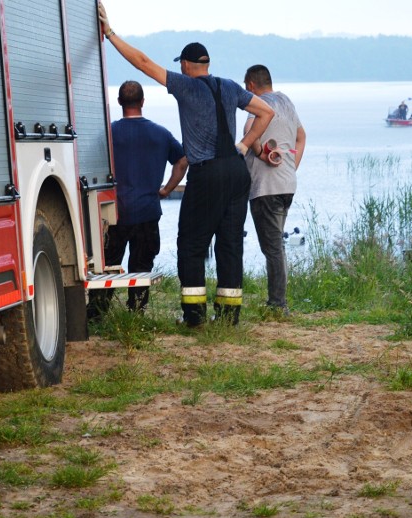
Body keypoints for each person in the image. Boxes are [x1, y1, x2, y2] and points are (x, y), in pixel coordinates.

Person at [97, 1, 275, 327]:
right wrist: (245, 145)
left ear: (189, 66)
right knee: (230, 243)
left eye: (182, 65)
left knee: (190, 244)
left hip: (207, 173)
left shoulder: (185, 86)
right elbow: (267, 112)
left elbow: (143, 63)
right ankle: (229, 316)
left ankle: (194, 316)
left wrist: (110, 33)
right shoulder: (230, 86)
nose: (179, 70)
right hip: (237, 172)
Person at [88, 80, 188, 320]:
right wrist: (167, 189)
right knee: (142, 266)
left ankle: (98, 314)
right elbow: (183, 160)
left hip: (114, 213)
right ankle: (136, 312)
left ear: (120, 102)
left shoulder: (108, 134)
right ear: (143, 102)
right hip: (147, 211)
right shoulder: (161, 134)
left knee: (108, 265)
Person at [242, 64, 306, 314]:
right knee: (275, 244)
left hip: (265, 186)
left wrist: (259, 153)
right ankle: (276, 300)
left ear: (250, 85)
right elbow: (302, 137)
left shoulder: (257, 103)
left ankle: (278, 304)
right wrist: (292, 167)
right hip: (287, 183)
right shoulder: (286, 101)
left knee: (273, 247)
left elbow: (248, 131)